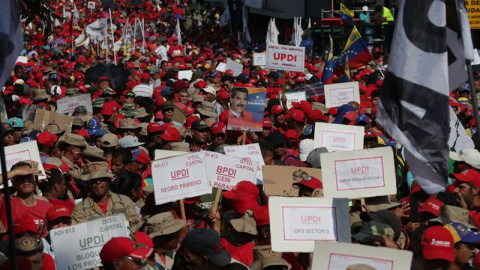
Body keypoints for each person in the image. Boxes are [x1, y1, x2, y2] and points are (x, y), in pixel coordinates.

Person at [71, 162, 141, 229]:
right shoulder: (80, 210)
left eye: (102, 178)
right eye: (94, 180)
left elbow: (135, 225)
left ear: (109, 180)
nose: (98, 182)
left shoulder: (125, 202)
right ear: (89, 183)